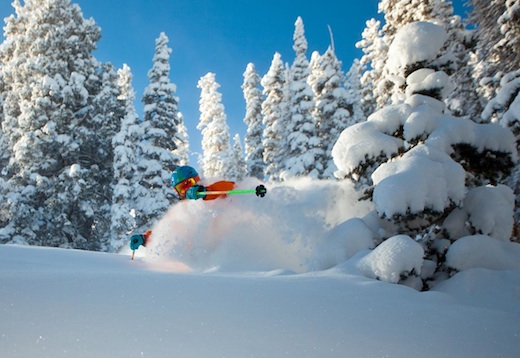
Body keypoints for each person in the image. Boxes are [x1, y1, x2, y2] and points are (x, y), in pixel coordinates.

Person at [171, 166, 235, 201]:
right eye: (181, 188)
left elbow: (230, 186)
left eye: (189, 183)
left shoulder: (207, 186)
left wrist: (205, 192)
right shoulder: (181, 210)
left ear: (197, 179)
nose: (187, 190)